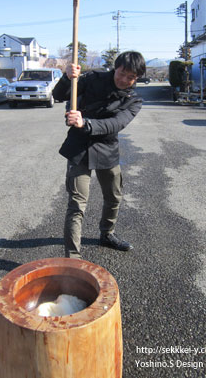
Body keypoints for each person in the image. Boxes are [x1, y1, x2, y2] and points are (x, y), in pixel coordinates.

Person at [53, 51, 146, 259]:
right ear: (116, 68)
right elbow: (59, 95)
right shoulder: (93, 79)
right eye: (121, 73)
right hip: (79, 147)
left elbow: (116, 123)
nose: (124, 80)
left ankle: (107, 234)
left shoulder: (134, 99)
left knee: (114, 197)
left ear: (136, 78)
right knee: (77, 203)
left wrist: (85, 122)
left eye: (130, 77)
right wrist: (67, 77)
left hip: (107, 148)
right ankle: (73, 258)